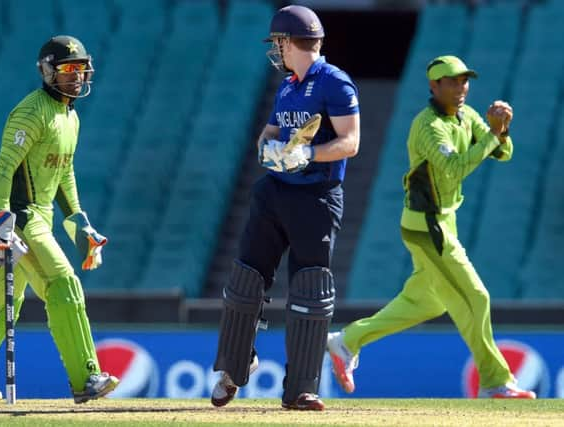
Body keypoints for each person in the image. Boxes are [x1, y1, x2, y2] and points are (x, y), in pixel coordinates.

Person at [327, 55, 536, 399]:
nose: (460, 88)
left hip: (443, 222)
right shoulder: (427, 126)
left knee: (425, 302)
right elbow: (454, 169)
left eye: (464, 81)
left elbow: (504, 153)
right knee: (476, 298)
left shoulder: (467, 115)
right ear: (433, 86)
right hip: (427, 227)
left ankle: (346, 341)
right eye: (452, 82)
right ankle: (496, 380)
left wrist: (503, 130)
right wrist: (492, 136)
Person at [211, 5, 360, 411]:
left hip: (317, 197)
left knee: (310, 288)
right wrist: (272, 151)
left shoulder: (335, 83)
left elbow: (350, 141)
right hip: (275, 191)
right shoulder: (288, 86)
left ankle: (301, 389)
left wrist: (308, 153)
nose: (275, 50)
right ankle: (234, 367)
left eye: (277, 42)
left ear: (289, 41)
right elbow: (269, 134)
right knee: (245, 279)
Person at [0, 35, 119, 403]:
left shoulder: (71, 116)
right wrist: (2, 223)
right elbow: (4, 168)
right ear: (47, 72)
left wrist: (80, 224)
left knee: (0, 302)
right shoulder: (31, 112)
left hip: (42, 217)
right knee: (63, 284)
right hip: (20, 217)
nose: (76, 76)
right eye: (67, 69)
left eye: (81, 69)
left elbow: (64, 173)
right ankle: (87, 377)